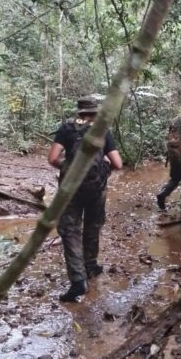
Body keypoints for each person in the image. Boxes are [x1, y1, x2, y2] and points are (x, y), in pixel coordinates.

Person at [48, 96, 122, 302]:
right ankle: (91, 265)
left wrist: (68, 168)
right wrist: (102, 168)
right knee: (93, 225)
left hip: (71, 190)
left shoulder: (67, 128)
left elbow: (52, 158)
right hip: (96, 189)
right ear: (96, 112)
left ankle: (78, 280)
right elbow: (118, 164)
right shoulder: (103, 131)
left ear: (78, 112)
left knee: (70, 230)